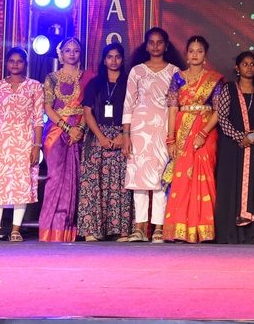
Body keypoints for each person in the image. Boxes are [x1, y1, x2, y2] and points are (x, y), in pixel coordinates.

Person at [123, 27, 184, 242]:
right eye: (151, 42)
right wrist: (126, 134)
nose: (155, 46)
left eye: (160, 42)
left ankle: (159, 227)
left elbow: (177, 104)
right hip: (139, 130)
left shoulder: (175, 72)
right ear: (146, 45)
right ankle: (139, 228)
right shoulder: (137, 71)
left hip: (163, 130)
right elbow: (128, 103)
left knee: (160, 179)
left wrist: (174, 134)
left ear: (166, 46)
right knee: (139, 179)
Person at [0, 47, 43, 241]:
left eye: (20, 61)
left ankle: (16, 229)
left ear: (25, 64)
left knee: (21, 184)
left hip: (24, 142)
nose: (15, 64)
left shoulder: (34, 86)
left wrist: (37, 146)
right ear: (6, 63)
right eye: (12, 61)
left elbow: (38, 119)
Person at [164, 35, 221, 243]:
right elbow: (172, 109)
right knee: (182, 178)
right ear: (186, 55)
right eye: (191, 51)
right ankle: (179, 229)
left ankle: (204, 229)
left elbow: (219, 111)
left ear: (205, 56)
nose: (195, 55)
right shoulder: (178, 78)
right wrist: (171, 139)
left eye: (199, 51)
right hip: (182, 131)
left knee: (204, 176)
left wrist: (203, 133)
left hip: (206, 131)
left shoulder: (214, 79)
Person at [214, 51, 254, 244]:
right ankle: (232, 233)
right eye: (245, 64)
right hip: (233, 146)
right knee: (233, 185)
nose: (249, 67)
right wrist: (241, 137)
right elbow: (222, 118)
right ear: (237, 68)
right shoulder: (229, 89)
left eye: (252, 64)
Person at [77, 42, 133, 241]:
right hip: (96, 136)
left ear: (122, 59)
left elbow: (135, 111)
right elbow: (87, 112)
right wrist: (100, 137)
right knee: (93, 183)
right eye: (110, 57)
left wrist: (124, 136)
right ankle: (92, 230)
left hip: (121, 134)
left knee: (121, 184)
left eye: (117, 56)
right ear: (104, 60)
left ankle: (122, 230)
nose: (114, 60)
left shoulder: (129, 82)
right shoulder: (95, 83)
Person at [38, 37, 86, 242]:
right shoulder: (52, 78)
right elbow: (48, 107)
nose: (72, 54)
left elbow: (89, 106)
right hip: (56, 132)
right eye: (68, 50)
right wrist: (67, 128)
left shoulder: (87, 77)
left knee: (75, 180)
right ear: (61, 54)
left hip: (81, 131)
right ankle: (50, 229)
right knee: (55, 178)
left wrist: (79, 129)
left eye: (75, 50)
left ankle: (68, 230)